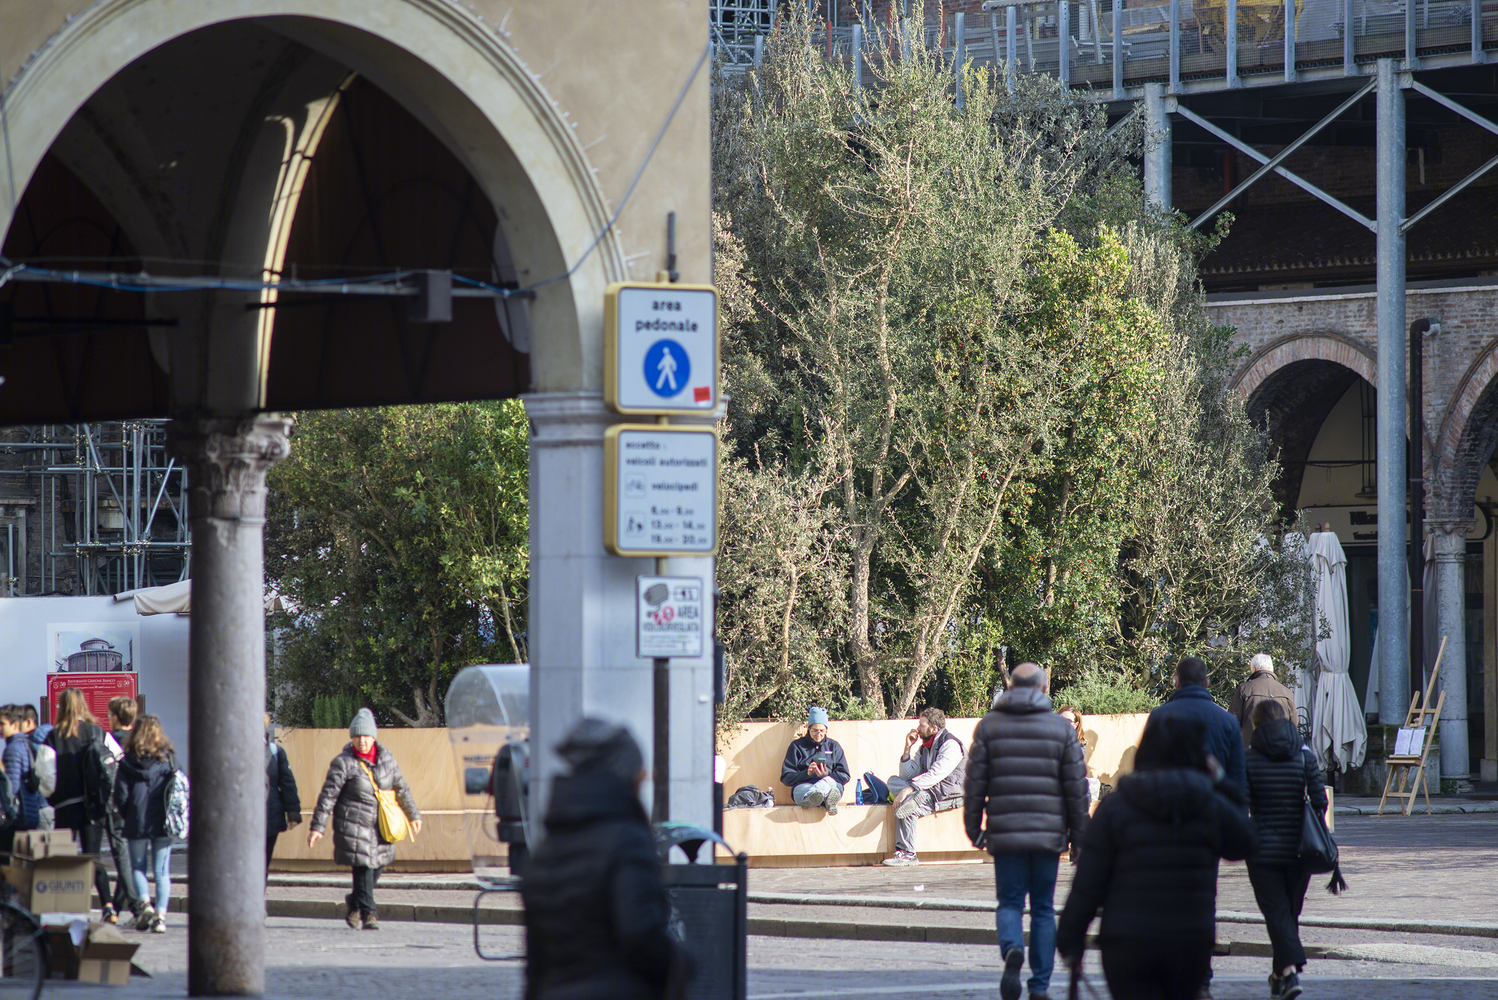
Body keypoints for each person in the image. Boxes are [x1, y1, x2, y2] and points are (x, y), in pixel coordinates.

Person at [1057, 714, 1256, 1000]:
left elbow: (1089, 881)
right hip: (1189, 939)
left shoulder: (1116, 806)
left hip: (1127, 939)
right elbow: (1246, 843)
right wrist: (1221, 781)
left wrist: (1071, 939)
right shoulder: (1210, 803)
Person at [521, 717, 691, 999]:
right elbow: (641, 933)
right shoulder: (626, 841)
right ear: (627, 778)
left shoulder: (546, 849)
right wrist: (681, 964)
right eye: (641, 776)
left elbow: (535, 965)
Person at [965, 663, 1090, 1000]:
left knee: (1008, 903)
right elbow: (1076, 790)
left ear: (1010, 688)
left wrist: (973, 828)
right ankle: (1039, 986)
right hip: (1049, 835)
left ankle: (1011, 950)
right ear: (1044, 689)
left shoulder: (989, 727)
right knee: (1044, 910)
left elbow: (974, 784)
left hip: (1005, 834)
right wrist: (1080, 839)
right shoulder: (1061, 730)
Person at [308, 708, 421, 930]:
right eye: (357, 736)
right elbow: (328, 796)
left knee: (376, 866)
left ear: (374, 736)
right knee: (362, 867)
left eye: (366, 736)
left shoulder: (387, 759)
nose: (362, 741)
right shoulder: (343, 763)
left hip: (380, 825)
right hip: (353, 825)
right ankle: (370, 913)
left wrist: (413, 814)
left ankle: (354, 903)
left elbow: (401, 787)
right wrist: (317, 827)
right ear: (351, 737)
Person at [1245, 700, 1325, 1000]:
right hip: (1299, 850)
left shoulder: (1249, 759)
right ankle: (1280, 976)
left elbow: (1241, 801)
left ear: (1256, 724)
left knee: (1278, 913)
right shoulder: (1303, 756)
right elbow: (1320, 799)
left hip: (1262, 851)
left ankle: (1287, 973)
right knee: (1289, 912)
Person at [45, 688, 113, 921]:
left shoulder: (54, 736)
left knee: (64, 857)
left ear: (61, 707)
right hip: (92, 807)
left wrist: (51, 797)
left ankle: (68, 906)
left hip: (64, 806)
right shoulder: (97, 732)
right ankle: (108, 905)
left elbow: (45, 774)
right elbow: (114, 764)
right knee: (93, 856)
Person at [113, 715, 177, 933]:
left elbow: (120, 795)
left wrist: (127, 814)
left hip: (137, 819)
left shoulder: (127, 761)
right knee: (162, 871)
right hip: (163, 820)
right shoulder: (168, 758)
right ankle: (160, 917)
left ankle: (144, 904)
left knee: (138, 867)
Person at [883, 707, 967, 867]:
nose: (918, 729)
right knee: (893, 781)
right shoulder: (925, 747)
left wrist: (909, 790)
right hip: (930, 789)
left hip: (951, 793)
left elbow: (936, 774)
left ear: (934, 728)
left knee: (908, 806)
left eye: (922, 725)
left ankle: (908, 854)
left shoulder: (950, 745)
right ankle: (914, 797)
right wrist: (907, 747)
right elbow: (906, 775)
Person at [1149, 657, 1246, 795]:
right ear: (1206, 683)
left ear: (1177, 682)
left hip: (1170, 808)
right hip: (1216, 808)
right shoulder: (1229, 722)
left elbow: (1147, 771)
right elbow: (1238, 780)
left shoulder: (1158, 717)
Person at [104, 697, 142, 922]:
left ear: (116, 717)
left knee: (121, 854)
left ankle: (137, 907)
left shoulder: (108, 741)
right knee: (126, 856)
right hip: (138, 803)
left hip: (115, 802)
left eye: (109, 715)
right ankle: (117, 907)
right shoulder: (140, 740)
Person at [780, 707, 850, 815]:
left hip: (830, 785)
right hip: (804, 786)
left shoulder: (834, 746)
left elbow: (845, 776)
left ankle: (814, 797)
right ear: (808, 729)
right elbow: (786, 777)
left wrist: (827, 774)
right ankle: (824, 800)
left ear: (826, 730)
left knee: (832, 785)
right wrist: (806, 774)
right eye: (814, 730)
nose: (818, 734)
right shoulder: (797, 746)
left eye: (822, 731)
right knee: (802, 792)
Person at [1230, 653, 1298, 750]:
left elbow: (1233, 722)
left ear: (1253, 669)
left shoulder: (1244, 689)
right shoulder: (1286, 692)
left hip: (1251, 751)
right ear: (1272, 669)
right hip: (1280, 750)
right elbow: (1294, 723)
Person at [1, 706, 43, 857]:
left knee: (7, 865)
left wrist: (6, 816)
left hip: (17, 817)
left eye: (2, 724)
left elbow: (11, 787)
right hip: (30, 812)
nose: (0, 728)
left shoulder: (12, 749)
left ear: (15, 725)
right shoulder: (27, 744)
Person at [265, 715, 302, 883]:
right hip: (242, 819)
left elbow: (287, 782)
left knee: (262, 863)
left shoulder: (275, 752)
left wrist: (293, 812)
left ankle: (256, 902)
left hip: (269, 816)